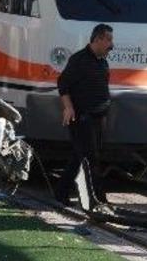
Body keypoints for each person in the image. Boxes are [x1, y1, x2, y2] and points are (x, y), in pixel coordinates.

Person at [54, 24, 115, 205]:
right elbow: (63, 83)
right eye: (109, 40)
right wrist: (68, 107)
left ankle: (61, 192)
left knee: (78, 157)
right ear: (97, 39)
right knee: (91, 159)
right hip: (83, 118)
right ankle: (97, 199)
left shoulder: (102, 61)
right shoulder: (79, 60)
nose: (111, 45)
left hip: (98, 117)